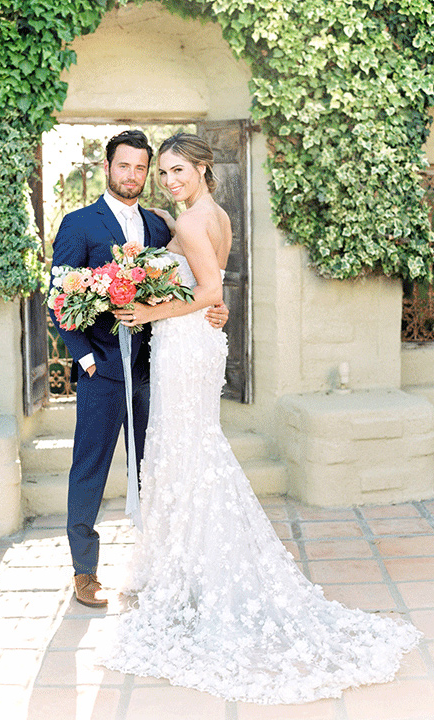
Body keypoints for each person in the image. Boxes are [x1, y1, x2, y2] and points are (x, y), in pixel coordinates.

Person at [98, 133, 421, 704]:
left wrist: (147, 310)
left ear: (203, 168)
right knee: (189, 447)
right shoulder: (211, 213)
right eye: (163, 173)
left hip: (186, 343)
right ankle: (190, 565)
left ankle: (193, 571)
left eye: (178, 171)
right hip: (198, 342)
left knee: (184, 447)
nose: (169, 181)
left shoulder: (194, 222)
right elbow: (209, 288)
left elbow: (208, 290)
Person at [48, 130, 228, 608]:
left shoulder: (158, 226)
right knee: (90, 468)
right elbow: (58, 298)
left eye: (141, 168)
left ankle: (163, 561)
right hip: (101, 372)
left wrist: (216, 309)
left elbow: (196, 280)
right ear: (107, 167)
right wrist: (84, 357)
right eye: (123, 166)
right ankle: (85, 570)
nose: (133, 175)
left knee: (157, 470)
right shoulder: (79, 224)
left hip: (158, 370)